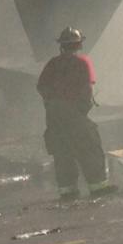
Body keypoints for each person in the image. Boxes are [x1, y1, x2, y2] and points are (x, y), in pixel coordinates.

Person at [37, 27, 112, 200]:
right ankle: (98, 187)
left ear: (61, 45)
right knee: (90, 147)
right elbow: (87, 88)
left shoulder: (53, 63)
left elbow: (41, 87)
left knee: (62, 151)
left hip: (54, 114)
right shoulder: (83, 62)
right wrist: (81, 109)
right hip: (73, 111)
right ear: (79, 45)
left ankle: (67, 190)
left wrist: (51, 103)